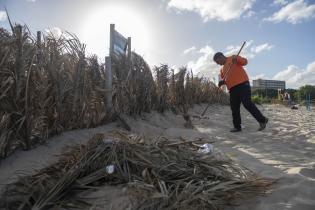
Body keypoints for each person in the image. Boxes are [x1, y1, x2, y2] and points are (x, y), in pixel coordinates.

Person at [213, 52, 268, 132]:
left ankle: (262, 120)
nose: (218, 64)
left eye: (218, 62)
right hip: (232, 89)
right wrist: (222, 82)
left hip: (243, 84)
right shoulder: (222, 70)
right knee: (234, 108)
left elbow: (245, 62)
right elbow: (226, 80)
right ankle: (237, 127)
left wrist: (238, 59)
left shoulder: (233, 58)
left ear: (221, 57)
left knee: (247, 103)